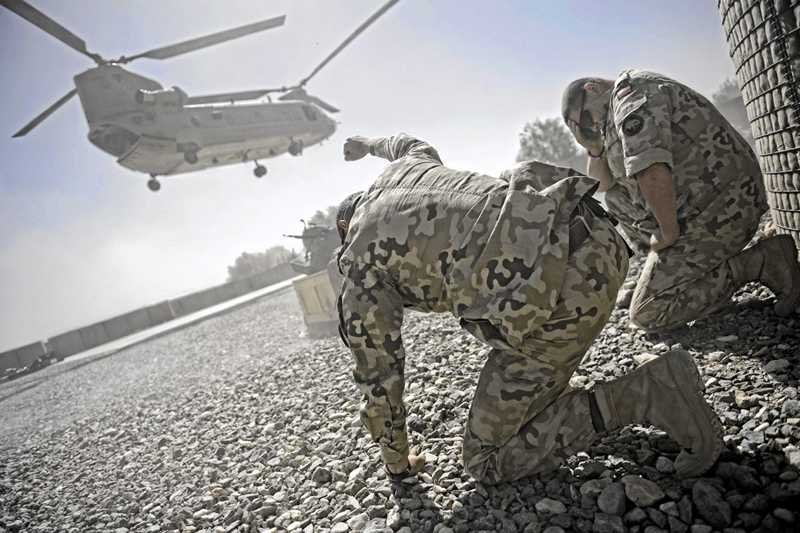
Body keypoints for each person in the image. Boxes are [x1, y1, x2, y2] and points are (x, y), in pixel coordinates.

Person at [335, 132, 722, 485]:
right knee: (520, 366)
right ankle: (560, 394)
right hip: (600, 238)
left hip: (563, 294)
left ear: (344, 226)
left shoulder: (358, 259)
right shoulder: (408, 168)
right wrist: (367, 144)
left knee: (484, 459)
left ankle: (647, 393)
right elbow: (402, 141)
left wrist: (396, 461)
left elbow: (379, 376)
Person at [562, 70, 800, 332]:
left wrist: (667, 233)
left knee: (648, 312)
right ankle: (676, 274)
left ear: (592, 88)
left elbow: (651, 170)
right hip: (702, 202)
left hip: (727, 203)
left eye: (585, 116)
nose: (590, 123)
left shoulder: (630, 97)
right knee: (616, 198)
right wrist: (592, 147)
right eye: (583, 125)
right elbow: (602, 185)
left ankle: (760, 261)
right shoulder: (609, 119)